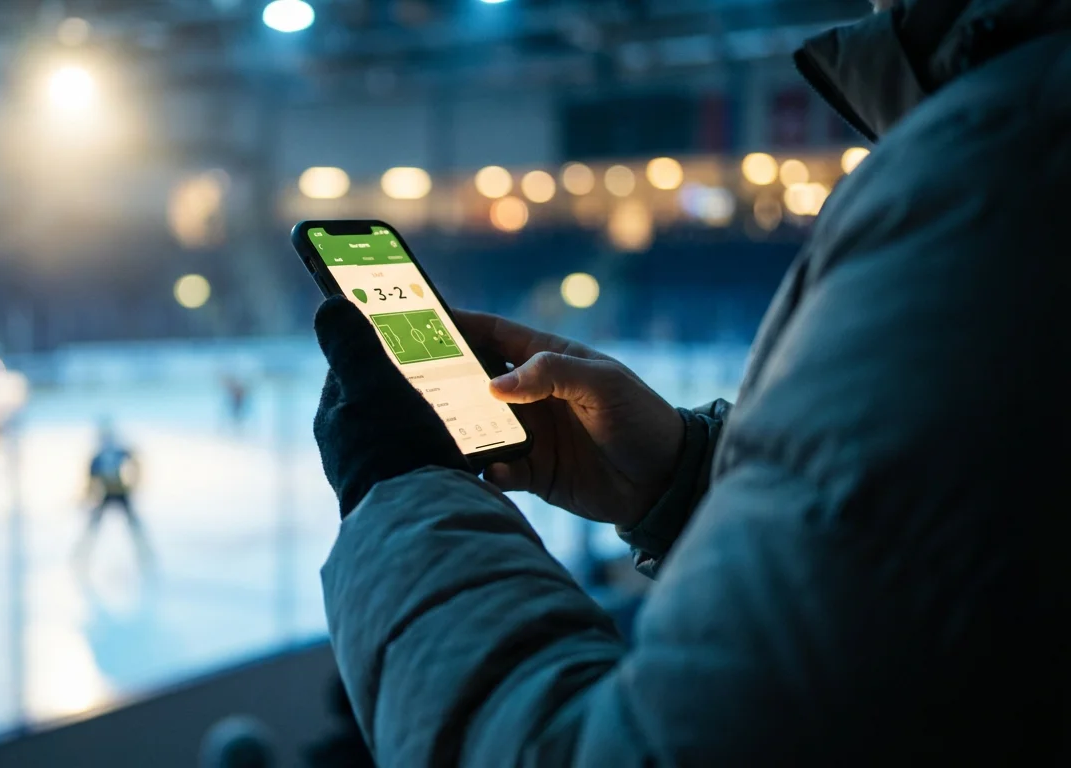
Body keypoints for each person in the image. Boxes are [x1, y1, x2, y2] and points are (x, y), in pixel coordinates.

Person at [308, 1, 1071, 764]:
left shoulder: (1000, 164)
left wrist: (400, 490)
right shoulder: (1007, 139)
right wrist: (682, 475)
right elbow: (938, 579)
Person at [76, 422, 151, 563]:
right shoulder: (110, 453)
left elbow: (136, 466)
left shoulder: (107, 454)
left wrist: (134, 484)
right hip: (109, 494)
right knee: (95, 525)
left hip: (117, 492)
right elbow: (91, 480)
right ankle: (81, 556)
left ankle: (145, 554)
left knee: (131, 526)